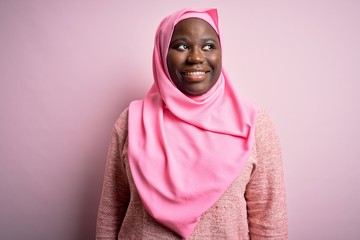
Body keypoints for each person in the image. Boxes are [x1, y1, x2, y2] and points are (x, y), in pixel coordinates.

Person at [96, 8, 288, 240]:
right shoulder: (131, 120)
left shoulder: (253, 124)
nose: (196, 57)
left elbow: (269, 223)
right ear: (161, 53)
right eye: (182, 46)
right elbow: (111, 213)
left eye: (208, 46)